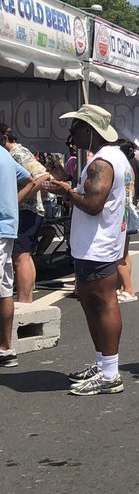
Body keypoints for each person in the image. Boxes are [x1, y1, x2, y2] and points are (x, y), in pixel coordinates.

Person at [45, 104, 133, 395]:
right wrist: (70, 185)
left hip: (97, 246)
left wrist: (66, 191)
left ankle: (109, 374)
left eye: (76, 128)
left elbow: (93, 205)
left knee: (103, 303)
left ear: (90, 130)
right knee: (92, 303)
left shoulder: (101, 162)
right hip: (95, 245)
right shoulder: (109, 157)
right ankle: (103, 364)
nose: (72, 135)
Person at [2, 125, 49, 305]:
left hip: (26, 211)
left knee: (21, 257)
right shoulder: (13, 154)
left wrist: (19, 199)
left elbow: (42, 175)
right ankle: (25, 299)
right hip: (25, 210)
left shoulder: (18, 153)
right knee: (23, 256)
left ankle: (24, 300)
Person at [0, 140, 34, 368]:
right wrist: (12, 201)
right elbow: (30, 179)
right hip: (7, 227)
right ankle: (5, 348)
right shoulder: (4, 154)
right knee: (4, 288)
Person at [115, 140, 139, 304]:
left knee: (119, 256)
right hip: (129, 211)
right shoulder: (129, 167)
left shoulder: (120, 167)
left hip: (121, 214)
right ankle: (125, 288)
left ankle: (128, 289)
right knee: (124, 254)